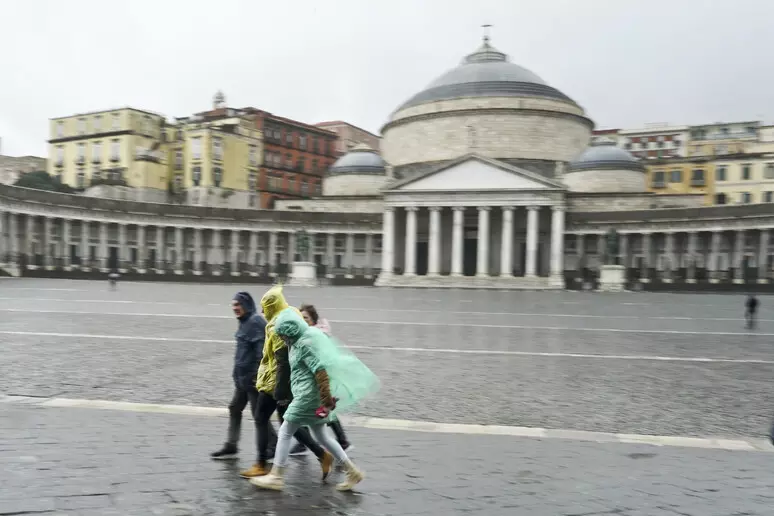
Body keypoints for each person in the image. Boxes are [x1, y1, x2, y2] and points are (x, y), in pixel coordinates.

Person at [250, 307, 379, 492]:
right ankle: (353, 472)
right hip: (310, 396)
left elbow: (320, 370)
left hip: (307, 397)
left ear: (290, 331)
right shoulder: (295, 343)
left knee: (286, 431)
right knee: (321, 436)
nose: (282, 338)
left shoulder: (304, 344)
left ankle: (276, 476)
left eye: (283, 334)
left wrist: (326, 400)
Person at [249, 286, 333, 479]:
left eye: (265, 307)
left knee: (262, 418)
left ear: (272, 305)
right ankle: (322, 455)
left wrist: (279, 390)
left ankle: (263, 465)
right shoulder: (291, 313)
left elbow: (281, 360)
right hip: (286, 382)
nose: (262, 311)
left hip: (275, 383)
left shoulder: (276, 324)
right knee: (288, 424)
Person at [211, 292, 276, 479]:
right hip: (242, 380)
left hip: (253, 381)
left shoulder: (255, 322)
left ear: (247, 304)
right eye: (233, 305)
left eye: (237, 304)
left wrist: (258, 377)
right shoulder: (245, 321)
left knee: (259, 417)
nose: (234, 308)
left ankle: (273, 445)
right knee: (235, 408)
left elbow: (261, 352)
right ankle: (232, 445)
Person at [287, 304, 351, 455]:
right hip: (310, 382)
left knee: (311, 411)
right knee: (319, 413)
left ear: (313, 321)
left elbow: (321, 363)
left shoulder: (315, 336)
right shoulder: (306, 334)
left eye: (306, 318)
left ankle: (335, 443)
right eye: (300, 318)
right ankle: (340, 442)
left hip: (317, 381)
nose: (303, 321)